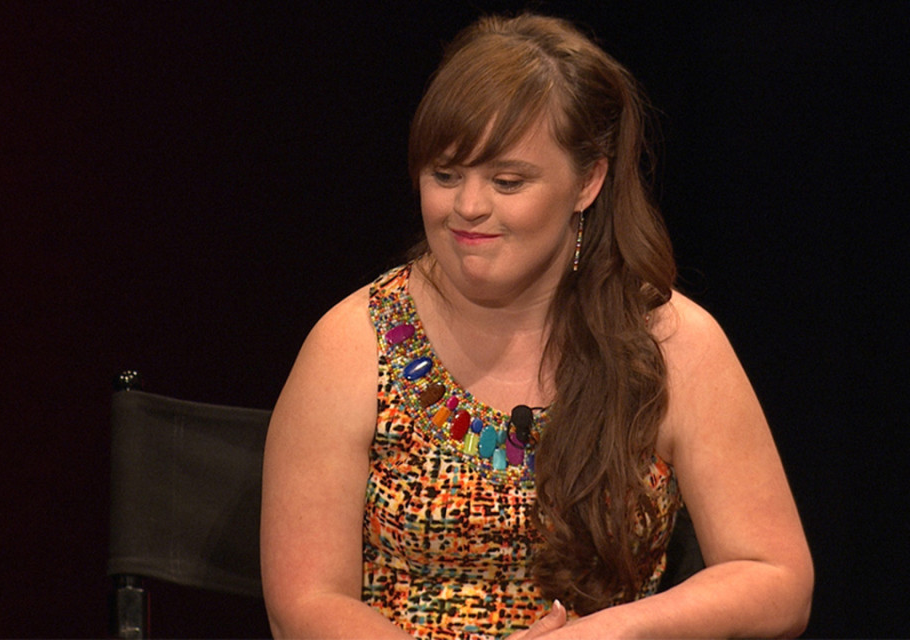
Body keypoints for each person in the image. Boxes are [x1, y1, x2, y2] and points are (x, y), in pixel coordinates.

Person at [260, 12, 813, 639]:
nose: (468, 207)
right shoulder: (354, 344)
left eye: (507, 181)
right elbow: (304, 603)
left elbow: (776, 578)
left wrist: (612, 632)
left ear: (588, 181)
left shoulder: (670, 345)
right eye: (445, 175)